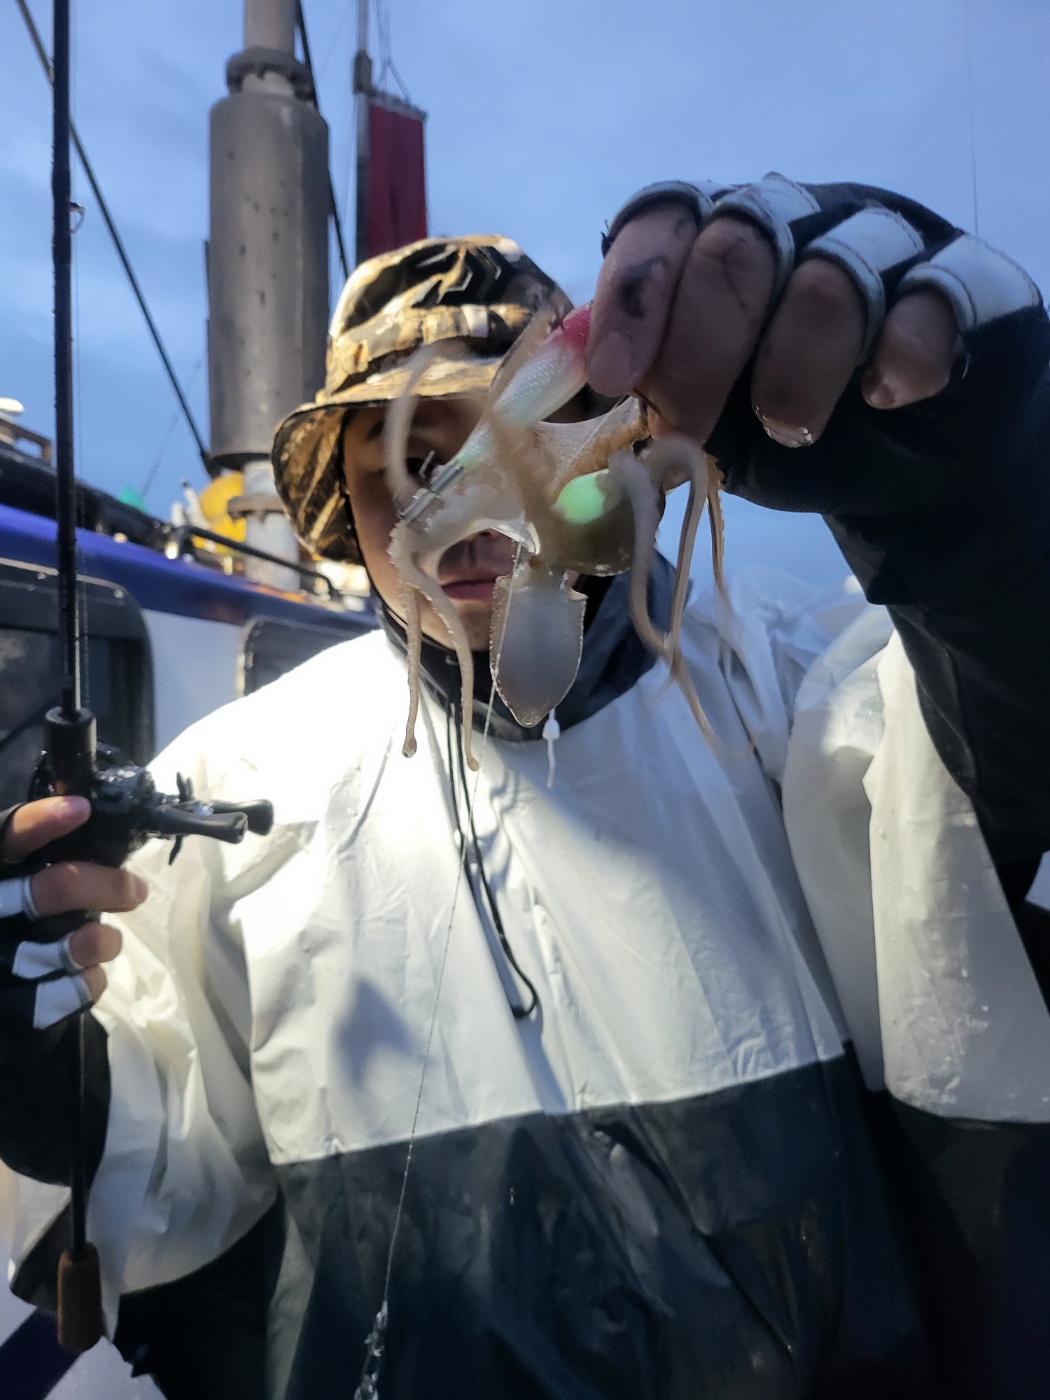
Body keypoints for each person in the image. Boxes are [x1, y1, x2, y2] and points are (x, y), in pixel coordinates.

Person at [1, 175, 1049, 1400]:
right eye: (411, 460)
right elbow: (159, 1149)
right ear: (347, 504)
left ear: (615, 446)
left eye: (526, 430)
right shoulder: (235, 776)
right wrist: (34, 1067)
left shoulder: (788, 684)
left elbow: (985, 775)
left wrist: (985, 530)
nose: (467, 508)